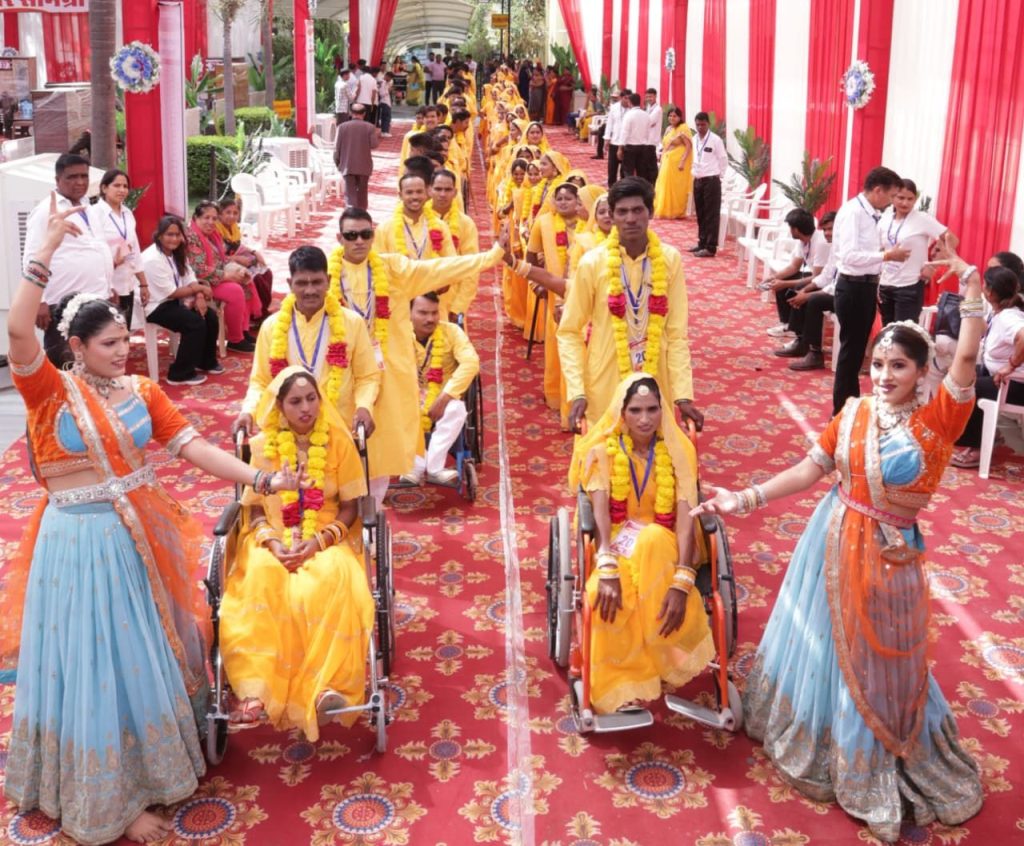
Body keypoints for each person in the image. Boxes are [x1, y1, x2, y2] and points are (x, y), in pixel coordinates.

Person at [2, 196, 304, 846]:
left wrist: (261, 478)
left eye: (127, 339)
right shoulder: (49, 391)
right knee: (90, 660)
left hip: (135, 542)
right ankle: (105, 801)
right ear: (76, 347)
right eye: (111, 343)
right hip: (75, 546)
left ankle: (149, 771)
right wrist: (42, 252)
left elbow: (194, 449)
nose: (125, 350)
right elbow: (20, 332)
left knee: (138, 653)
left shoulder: (142, 392)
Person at [694, 241, 988, 842]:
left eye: (898, 366)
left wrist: (971, 290)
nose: (883, 376)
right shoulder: (853, 412)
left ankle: (881, 755)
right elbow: (810, 470)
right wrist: (741, 499)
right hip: (830, 542)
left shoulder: (938, 423)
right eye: (878, 363)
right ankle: (826, 738)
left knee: (883, 658)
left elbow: (966, 359)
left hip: (891, 558)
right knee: (826, 646)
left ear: (921, 371)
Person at [221, 367, 374, 738]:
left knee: (329, 579)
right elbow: (254, 509)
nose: (306, 408)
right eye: (295, 401)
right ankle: (256, 690)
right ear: (280, 406)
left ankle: (326, 688)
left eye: (311, 399)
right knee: (263, 578)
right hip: (270, 538)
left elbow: (351, 507)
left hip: (325, 537)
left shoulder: (338, 442)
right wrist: (273, 543)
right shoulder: (263, 447)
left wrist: (318, 542)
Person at [327, 208, 509, 504]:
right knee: (341, 439)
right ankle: (345, 507)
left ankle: (372, 509)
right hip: (343, 371)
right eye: (351, 235)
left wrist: (492, 255)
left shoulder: (393, 269)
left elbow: (442, 268)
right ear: (339, 238)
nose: (359, 241)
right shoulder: (326, 274)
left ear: (373, 236)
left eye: (365, 234)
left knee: (382, 445)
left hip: (389, 372)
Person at [569, 374, 713, 714]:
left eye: (652, 409)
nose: (645, 419)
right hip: (617, 546)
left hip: (665, 548)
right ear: (622, 413)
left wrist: (682, 580)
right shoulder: (601, 452)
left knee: (652, 539)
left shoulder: (679, 453)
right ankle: (624, 686)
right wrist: (606, 566)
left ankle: (662, 659)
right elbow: (600, 515)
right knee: (600, 595)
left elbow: (685, 519)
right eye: (635, 410)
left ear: (663, 411)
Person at [558, 177, 704, 432]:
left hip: (655, 380)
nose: (630, 219)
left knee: (655, 452)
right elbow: (569, 331)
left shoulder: (669, 260)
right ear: (612, 216)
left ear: (651, 212)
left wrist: (683, 395)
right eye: (622, 212)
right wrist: (577, 391)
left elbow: (677, 334)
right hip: (604, 379)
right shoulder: (593, 263)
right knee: (604, 452)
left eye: (638, 210)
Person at [234, 245, 381, 443]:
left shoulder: (352, 322)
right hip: (287, 432)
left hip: (338, 428)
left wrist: (364, 406)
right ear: (290, 284)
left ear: (328, 281)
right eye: (302, 283)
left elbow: (367, 376)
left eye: (317, 282)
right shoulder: (272, 326)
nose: (310, 290)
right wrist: (248, 411)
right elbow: (261, 381)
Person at [23, 153, 114, 366]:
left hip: (97, 296)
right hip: (62, 301)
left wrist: (109, 287)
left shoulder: (88, 207)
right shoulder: (46, 210)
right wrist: (39, 300)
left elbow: (98, 247)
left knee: (94, 360)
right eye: (72, 177)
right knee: (65, 361)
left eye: (84, 176)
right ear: (58, 180)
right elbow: (32, 255)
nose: (80, 182)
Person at [831, 166, 908, 415]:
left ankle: (850, 404)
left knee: (855, 352)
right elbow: (850, 256)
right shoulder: (853, 213)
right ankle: (842, 410)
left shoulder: (871, 213)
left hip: (865, 286)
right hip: (853, 286)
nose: (892, 202)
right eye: (892, 196)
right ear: (877, 190)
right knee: (850, 351)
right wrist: (886, 256)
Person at [950, 263, 1024, 468]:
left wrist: (1010, 366)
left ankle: (977, 447)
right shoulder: (999, 311)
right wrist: (966, 301)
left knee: (967, 388)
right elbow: (978, 326)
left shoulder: (1008, 317)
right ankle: (986, 435)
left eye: (983, 284)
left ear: (990, 291)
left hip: (1015, 386)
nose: (981, 288)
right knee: (959, 377)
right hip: (1000, 378)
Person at [404, 292, 480, 485]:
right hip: (408, 396)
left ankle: (434, 467)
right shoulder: (398, 335)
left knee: (457, 410)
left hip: (445, 395)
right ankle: (414, 467)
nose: (430, 319)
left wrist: (445, 397)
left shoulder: (451, 332)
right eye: (423, 313)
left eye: (434, 312)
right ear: (409, 313)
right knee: (393, 409)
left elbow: (471, 362)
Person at [143, 215, 223, 385]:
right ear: (159, 235)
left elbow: (189, 276)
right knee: (194, 323)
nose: (174, 239)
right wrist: (200, 289)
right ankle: (179, 374)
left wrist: (199, 296)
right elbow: (172, 292)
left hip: (175, 301)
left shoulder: (176, 252)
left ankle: (205, 361)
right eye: (169, 234)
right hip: (156, 305)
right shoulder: (152, 259)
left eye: (177, 235)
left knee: (209, 316)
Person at [878, 178, 953, 326]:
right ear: (892, 197)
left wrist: (932, 266)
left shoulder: (922, 219)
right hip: (885, 284)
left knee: (905, 332)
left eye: (910, 199)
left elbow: (951, 239)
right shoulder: (884, 220)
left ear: (915, 199)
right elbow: (879, 249)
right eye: (901, 198)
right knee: (887, 331)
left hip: (910, 284)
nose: (905, 203)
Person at [186, 200, 259, 353]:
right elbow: (198, 270)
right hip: (199, 283)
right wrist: (227, 275)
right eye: (206, 218)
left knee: (246, 280)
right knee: (235, 290)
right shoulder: (192, 237)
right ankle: (235, 339)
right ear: (196, 218)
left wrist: (239, 271)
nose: (211, 222)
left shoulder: (213, 235)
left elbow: (221, 258)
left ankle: (243, 330)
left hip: (215, 276)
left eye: (214, 218)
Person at [764, 208, 831, 352]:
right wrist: (774, 277)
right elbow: (794, 266)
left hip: (825, 281)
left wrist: (785, 283)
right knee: (783, 282)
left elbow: (818, 277)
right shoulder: (803, 241)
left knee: (795, 289)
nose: (789, 231)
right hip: (816, 276)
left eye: (790, 228)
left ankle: (801, 338)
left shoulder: (821, 243)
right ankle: (787, 325)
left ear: (796, 229)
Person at [91, 168, 148, 329]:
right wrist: (114, 262)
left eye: (125, 186)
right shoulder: (95, 214)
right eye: (117, 185)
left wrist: (143, 284)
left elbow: (134, 250)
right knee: (106, 332)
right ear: (104, 188)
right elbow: (91, 254)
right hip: (105, 288)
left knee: (124, 331)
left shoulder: (127, 213)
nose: (122, 190)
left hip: (127, 284)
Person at [781, 211, 838, 371]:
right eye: (825, 229)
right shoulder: (835, 247)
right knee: (800, 292)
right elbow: (825, 276)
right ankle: (801, 340)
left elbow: (835, 285)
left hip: (848, 294)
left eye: (831, 229)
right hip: (834, 288)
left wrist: (808, 295)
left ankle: (815, 353)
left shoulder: (840, 248)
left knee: (813, 300)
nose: (827, 233)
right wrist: (805, 291)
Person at [427, 169, 481, 319]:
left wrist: (459, 307)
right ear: (430, 190)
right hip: (420, 299)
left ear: (455, 192)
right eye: (438, 189)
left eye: (447, 190)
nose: (442, 194)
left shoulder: (466, 224)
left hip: (451, 300)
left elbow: (471, 268)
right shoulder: (419, 219)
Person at [217, 197, 274, 318]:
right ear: (220, 214)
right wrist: (236, 259)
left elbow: (238, 245)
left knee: (267, 273)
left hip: (235, 260)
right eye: (228, 212)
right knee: (257, 279)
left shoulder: (234, 228)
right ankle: (256, 314)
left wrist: (254, 252)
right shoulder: (216, 231)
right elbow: (217, 256)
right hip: (225, 265)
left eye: (235, 213)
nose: (232, 216)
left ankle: (263, 309)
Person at [689, 111, 728, 257]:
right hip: (698, 180)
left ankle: (711, 247)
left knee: (711, 214)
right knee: (700, 213)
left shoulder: (715, 140)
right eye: (698, 125)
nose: (700, 127)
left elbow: (723, 159)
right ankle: (702, 242)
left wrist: (719, 176)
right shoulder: (694, 139)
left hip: (711, 180)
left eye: (703, 125)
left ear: (708, 124)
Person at [333, 103, 382, 211]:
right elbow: (374, 145)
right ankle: (362, 213)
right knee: (362, 194)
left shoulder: (342, 127)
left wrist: (338, 163)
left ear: (351, 113)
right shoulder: (370, 127)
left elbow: (336, 148)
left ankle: (351, 214)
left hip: (347, 165)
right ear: (364, 114)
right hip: (364, 166)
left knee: (350, 194)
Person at [653, 107, 693, 219]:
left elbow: (688, 146)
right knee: (664, 184)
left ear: (680, 117)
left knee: (676, 187)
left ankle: (677, 211)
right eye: (670, 116)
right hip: (668, 161)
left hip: (678, 163)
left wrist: (682, 161)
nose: (672, 118)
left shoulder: (683, 128)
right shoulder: (669, 128)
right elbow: (665, 145)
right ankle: (665, 210)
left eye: (674, 116)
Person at [618, 93, 649, 181]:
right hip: (643, 147)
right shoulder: (646, 115)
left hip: (630, 147)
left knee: (628, 172)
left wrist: (620, 148)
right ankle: (641, 188)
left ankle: (629, 187)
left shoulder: (629, 115)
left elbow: (624, 133)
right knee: (641, 172)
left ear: (630, 102)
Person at [604, 90, 631, 187]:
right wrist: (607, 138)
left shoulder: (632, 109)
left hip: (627, 143)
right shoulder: (614, 107)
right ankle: (611, 186)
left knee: (625, 168)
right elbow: (609, 123)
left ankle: (623, 188)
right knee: (612, 166)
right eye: (625, 98)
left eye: (629, 98)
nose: (627, 100)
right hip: (615, 141)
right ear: (620, 98)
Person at [377, 71, 394, 136]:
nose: (390, 80)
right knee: (386, 117)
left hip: (386, 102)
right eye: (390, 78)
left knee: (386, 117)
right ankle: (385, 131)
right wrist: (388, 91)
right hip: (384, 102)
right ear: (387, 76)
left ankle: (384, 131)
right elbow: (381, 94)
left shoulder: (386, 83)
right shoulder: (382, 83)